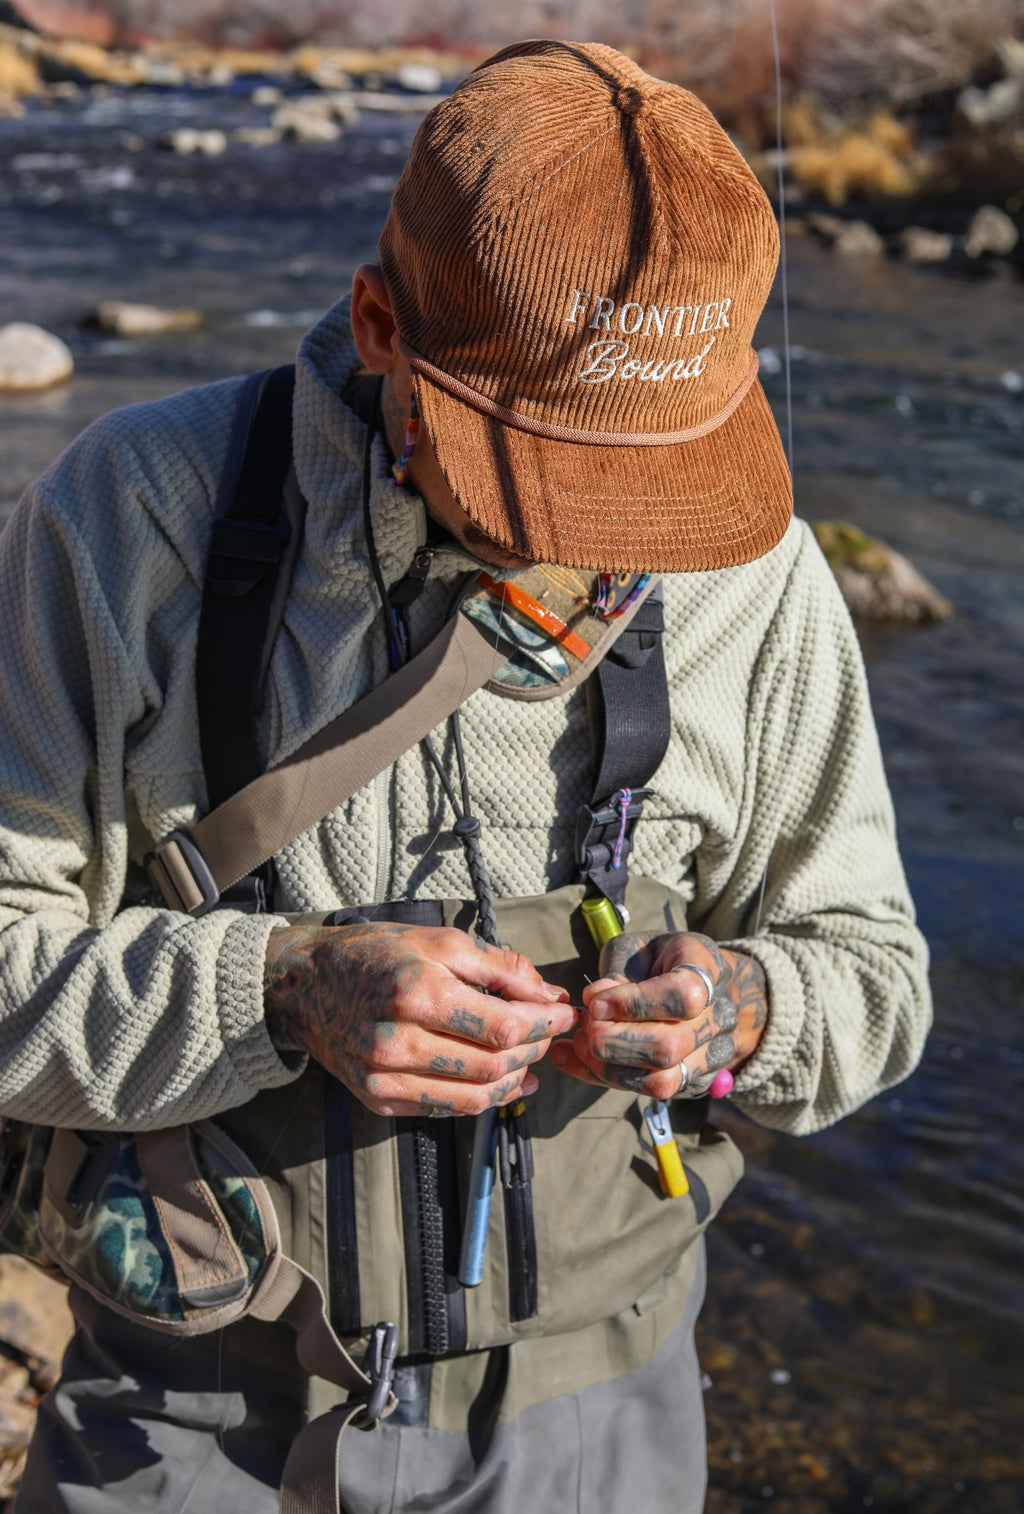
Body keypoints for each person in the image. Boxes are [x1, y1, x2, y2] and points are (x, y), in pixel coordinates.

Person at [0, 38, 930, 1514]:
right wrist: (281, 989)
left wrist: (743, 1010)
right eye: (557, 478)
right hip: (188, 1412)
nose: (611, 540)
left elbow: (877, 979)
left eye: (659, 479)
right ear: (381, 326)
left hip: (601, 1419)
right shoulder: (125, 522)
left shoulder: (759, 571)